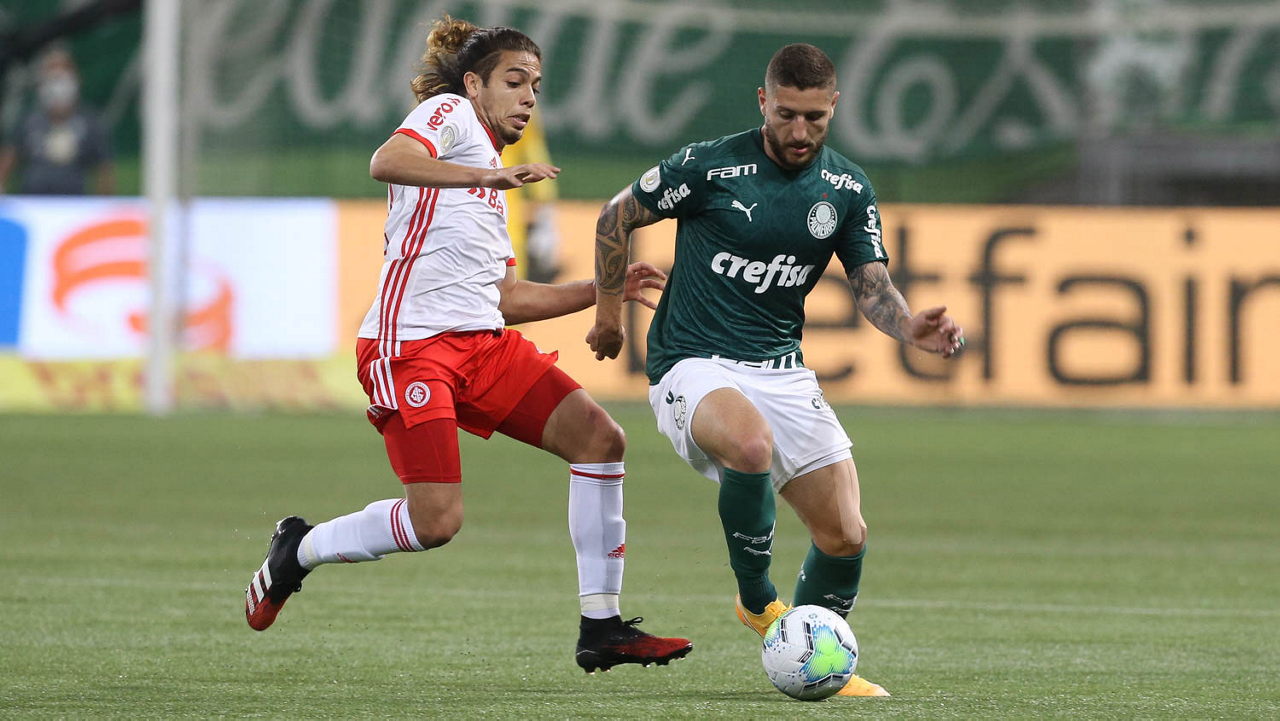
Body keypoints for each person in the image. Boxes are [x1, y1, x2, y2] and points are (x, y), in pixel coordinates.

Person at [244, 16, 692, 675]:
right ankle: (299, 549)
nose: (529, 96)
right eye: (515, 81)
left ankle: (602, 627)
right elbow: (385, 161)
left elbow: (505, 298)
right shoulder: (452, 116)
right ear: (475, 85)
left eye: (536, 85)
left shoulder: (492, 178)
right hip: (411, 347)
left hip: (481, 346)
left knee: (600, 440)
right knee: (436, 522)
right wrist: (483, 178)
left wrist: (603, 287)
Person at [587, 43, 964, 697]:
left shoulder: (847, 189)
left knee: (845, 534)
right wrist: (608, 315)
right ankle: (759, 602)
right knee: (750, 442)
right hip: (691, 362)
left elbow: (872, 284)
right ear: (763, 101)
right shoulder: (709, 166)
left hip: (781, 370)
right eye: (786, 114)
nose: (799, 131)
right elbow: (615, 216)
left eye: (815, 117)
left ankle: (816, 658)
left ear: (834, 106)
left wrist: (909, 328)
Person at [0, 44, 114, 195]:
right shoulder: (29, 120)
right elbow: (8, 158)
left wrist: (104, 202)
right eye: (53, 77)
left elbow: (104, 168)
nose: (58, 84)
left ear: (75, 79)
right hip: (33, 201)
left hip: (74, 202)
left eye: (63, 76)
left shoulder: (90, 122)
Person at [503, 109, 563, 283]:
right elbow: (534, 152)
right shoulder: (518, 105)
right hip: (503, 218)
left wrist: (545, 213)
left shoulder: (519, 106)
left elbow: (533, 152)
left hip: (505, 216)